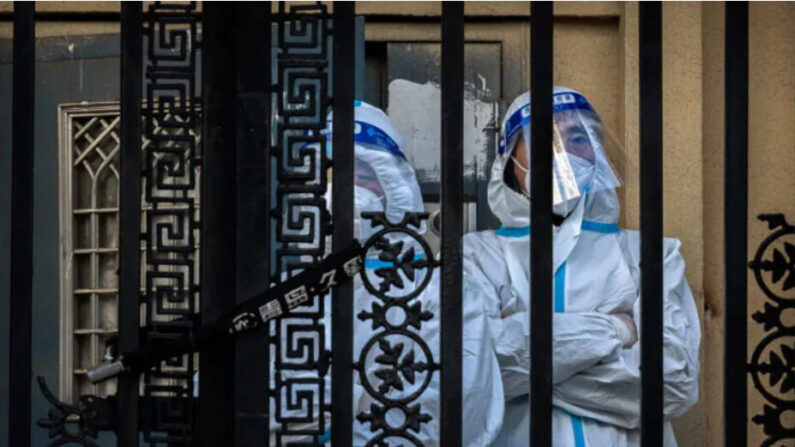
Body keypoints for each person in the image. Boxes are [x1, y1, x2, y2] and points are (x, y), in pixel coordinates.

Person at [436, 86, 701, 446]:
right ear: (510, 162)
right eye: (543, 138)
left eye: (577, 137)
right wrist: (615, 331)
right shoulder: (476, 256)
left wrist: (524, 352)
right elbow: (473, 369)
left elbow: (672, 383)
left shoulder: (651, 254)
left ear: (596, 153)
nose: (563, 151)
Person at [270, 101, 433, 445]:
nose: (342, 192)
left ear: (395, 188)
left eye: (361, 177)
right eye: (329, 178)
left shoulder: (435, 292)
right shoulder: (284, 292)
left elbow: (448, 409)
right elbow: (234, 396)